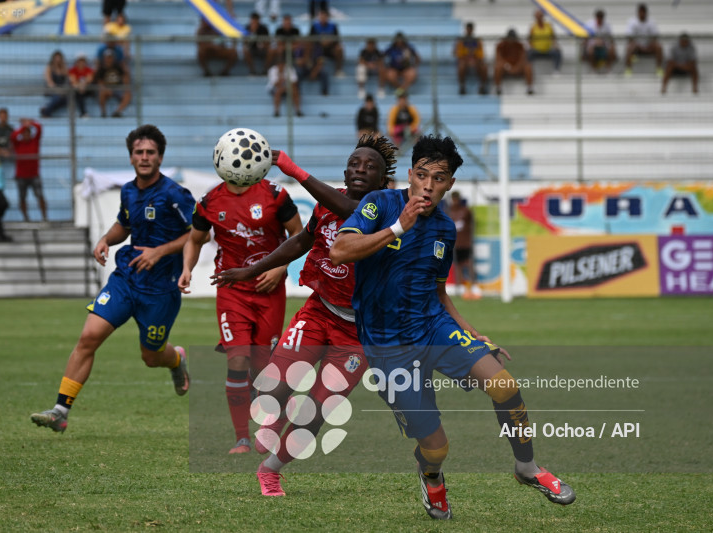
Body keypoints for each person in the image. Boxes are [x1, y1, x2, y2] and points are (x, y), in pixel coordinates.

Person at [329, 135, 576, 520]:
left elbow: (440, 292)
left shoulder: (445, 229)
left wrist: (472, 331)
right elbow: (339, 251)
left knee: (505, 386)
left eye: (439, 178)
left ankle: (526, 467)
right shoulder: (380, 204)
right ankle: (431, 478)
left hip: (434, 326)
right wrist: (399, 227)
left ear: (450, 184)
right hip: (387, 344)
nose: (428, 185)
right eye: (422, 175)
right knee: (436, 447)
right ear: (410, 175)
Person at [210, 135, 397, 495]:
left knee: (316, 413)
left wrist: (295, 171)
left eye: (370, 166)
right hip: (319, 312)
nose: (361, 169)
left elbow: (352, 212)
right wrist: (251, 271)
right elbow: (301, 241)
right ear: (345, 171)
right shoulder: (327, 204)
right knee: (273, 387)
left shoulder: (387, 208)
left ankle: (270, 470)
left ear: (382, 180)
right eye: (356, 163)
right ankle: (277, 411)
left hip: (359, 332)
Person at [31, 124, 195, 433]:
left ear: (160, 157)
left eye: (150, 152)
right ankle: (60, 410)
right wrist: (106, 239)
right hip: (126, 279)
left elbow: (197, 235)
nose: (144, 157)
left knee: (151, 356)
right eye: (138, 152)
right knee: (88, 337)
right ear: (131, 156)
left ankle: (176, 360)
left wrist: (160, 252)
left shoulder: (175, 194)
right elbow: (125, 224)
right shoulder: (128, 190)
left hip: (160, 290)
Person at [179, 150, 302, 456]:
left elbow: (298, 233)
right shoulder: (208, 203)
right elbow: (195, 239)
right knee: (237, 360)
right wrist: (187, 269)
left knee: (262, 366)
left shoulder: (276, 195)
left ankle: (268, 420)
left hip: (268, 290)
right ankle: (242, 439)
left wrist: (280, 268)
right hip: (232, 289)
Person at [10, 118, 46, 222]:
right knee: (22, 198)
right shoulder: (18, 144)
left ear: (30, 134)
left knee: (40, 196)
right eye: (24, 133)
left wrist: (30, 123)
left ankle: (44, 217)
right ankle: (26, 218)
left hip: (34, 175)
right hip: (21, 176)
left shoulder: (34, 142)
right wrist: (23, 127)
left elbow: (39, 128)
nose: (26, 135)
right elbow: (12, 136)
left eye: (27, 133)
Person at [447, 191, 480, 299]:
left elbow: (472, 223)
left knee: (469, 263)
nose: (455, 201)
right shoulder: (449, 211)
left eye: (457, 199)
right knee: (457, 265)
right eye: (454, 199)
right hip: (454, 242)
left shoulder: (465, 211)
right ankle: (462, 287)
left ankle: (474, 286)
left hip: (465, 242)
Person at [624, 3, 663, 77]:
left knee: (658, 46)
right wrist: (639, 46)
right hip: (637, 47)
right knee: (630, 47)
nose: (642, 14)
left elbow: (655, 37)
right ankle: (628, 69)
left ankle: (658, 68)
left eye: (643, 12)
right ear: (638, 12)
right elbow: (629, 37)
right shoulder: (632, 21)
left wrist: (648, 46)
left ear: (646, 12)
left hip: (648, 46)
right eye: (640, 11)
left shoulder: (651, 22)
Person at [494, 29, 534, 95]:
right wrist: (508, 67)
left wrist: (516, 68)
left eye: (513, 38)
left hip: (517, 67)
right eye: (510, 38)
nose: (511, 40)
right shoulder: (500, 46)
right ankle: (498, 87)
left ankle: (529, 87)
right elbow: (499, 59)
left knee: (528, 66)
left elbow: (523, 59)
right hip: (505, 67)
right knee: (497, 67)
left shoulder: (520, 46)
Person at [453, 22, 488, 95]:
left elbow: (481, 55)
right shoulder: (461, 40)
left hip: (475, 60)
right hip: (465, 60)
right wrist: (467, 59)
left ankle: (482, 86)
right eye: (468, 29)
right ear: (466, 29)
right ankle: (462, 86)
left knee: (484, 67)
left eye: (470, 29)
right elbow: (459, 54)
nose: (469, 31)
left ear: (473, 30)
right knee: (461, 66)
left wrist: (474, 59)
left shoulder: (477, 40)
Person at [94, 48, 131, 118]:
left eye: (110, 57)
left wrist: (125, 86)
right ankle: (103, 112)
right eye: (107, 57)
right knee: (101, 93)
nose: (109, 59)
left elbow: (124, 77)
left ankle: (117, 111)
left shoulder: (118, 67)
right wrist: (106, 89)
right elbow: (100, 82)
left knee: (128, 94)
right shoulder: (101, 69)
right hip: (107, 89)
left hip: (118, 88)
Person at [309, 9, 344, 77]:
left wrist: (329, 41)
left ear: (327, 17)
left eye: (324, 17)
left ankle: (338, 70)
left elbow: (337, 39)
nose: (323, 18)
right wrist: (320, 41)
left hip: (330, 49)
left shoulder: (333, 26)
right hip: (318, 48)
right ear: (319, 17)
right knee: (309, 46)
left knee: (339, 49)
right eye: (321, 17)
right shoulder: (314, 26)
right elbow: (310, 39)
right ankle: (310, 67)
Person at [527, 9, 562, 74]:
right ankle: (529, 70)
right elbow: (530, 40)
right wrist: (531, 46)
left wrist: (555, 45)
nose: (539, 18)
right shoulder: (533, 27)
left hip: (547, 50)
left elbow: (553, 37)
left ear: (543, 16)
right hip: (536, 50)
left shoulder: (549, 26)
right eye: (537, 16)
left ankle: (556, 70)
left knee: (557, 53)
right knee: (528, 53)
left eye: (540, 16)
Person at [584, 8, 617, 73]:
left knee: (612, 49)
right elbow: (586, 39)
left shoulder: (607, 25)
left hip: (604, 46)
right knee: (590, 51)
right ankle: (593, 69)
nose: (599, 20)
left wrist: (604, 42)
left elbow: (610, 38)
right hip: (593, 46)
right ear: (596, 17)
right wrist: (595, 42)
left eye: (601, 18)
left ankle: (608, 68)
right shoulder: (589, 25)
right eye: (598, 18)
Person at [40, 50, 70, 118]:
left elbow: (67, 79)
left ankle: (46, 110)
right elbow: (49, 81)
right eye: (56, 58)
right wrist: (57, 90)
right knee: (57, 97)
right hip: (51, 89)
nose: (58, 60)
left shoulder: (63, 68)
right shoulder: (49, 67)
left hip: (61, 90)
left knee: (67, 99)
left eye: (59, 58)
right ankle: (46, 113)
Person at [68, 53, 95, 118]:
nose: (81, 63)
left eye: (83, 61)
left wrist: (83, 85)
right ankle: (83, 113)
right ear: (76, 62)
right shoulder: (72, 70)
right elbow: (73, 81)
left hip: (87, 89)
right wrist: (80, 86)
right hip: (78, 89)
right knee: (79, 94)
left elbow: (89, 79)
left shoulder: (88, 70)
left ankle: (83, 113)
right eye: (79, 61)